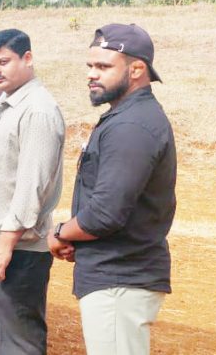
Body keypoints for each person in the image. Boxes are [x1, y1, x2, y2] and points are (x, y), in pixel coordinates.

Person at [49, 24, 176, 355]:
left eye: (103, 67)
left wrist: (62, 232)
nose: (92, 75)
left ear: (136, 69)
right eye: (90, 66)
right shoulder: (126, 116)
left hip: (122, 277)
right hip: (118, 273)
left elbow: (104, 214)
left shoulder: (132, 125)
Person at [0, 29, 65, 355]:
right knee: (0, 340)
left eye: (3, 61)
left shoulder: (37, 110)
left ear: (28, 58)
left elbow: (31, 184)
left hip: (16, 252)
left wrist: (5, 242)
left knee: (18, 342)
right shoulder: (12, 103)